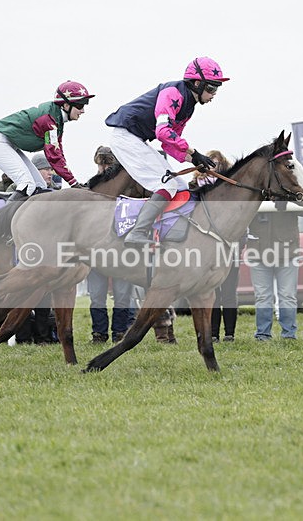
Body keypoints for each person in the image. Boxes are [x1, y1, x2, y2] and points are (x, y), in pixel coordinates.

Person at [105, 56, 229, 245]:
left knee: (181, 186)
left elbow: (168, 144)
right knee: (168, 185)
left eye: (216, 89)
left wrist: (193, 160)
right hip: (125, 138)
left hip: (136, 139)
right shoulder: (173, 93)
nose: (214, 94)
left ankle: (166, 233)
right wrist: (194, 152)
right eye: (211, 88)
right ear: (197, 83)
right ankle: (137, 232)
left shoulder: (189, 106)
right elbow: (163, 132)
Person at [0, 80, 93, 202]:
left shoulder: (57, 118)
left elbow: (59, 153)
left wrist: (74, 182)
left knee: (40, 186)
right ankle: (1, 219)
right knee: (27, 185)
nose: (83, 111)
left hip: (9, 144)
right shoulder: (49, 120)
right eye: (80, 105)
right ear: (66, 105)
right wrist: (74, 183)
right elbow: (54, 156)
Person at [86, 146, 138, 343]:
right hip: (96, 250)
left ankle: (120, 332)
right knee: (97, 296)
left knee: (123, 295)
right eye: (100, 164)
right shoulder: (91, 188)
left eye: (107, 163)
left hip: (122, 250)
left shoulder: (130, 189)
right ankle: (99, 334)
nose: (103, 168)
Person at [190, 150, 243, 342]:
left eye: (217, 164)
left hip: (229, 249)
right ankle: (212, 334)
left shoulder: (231, 191)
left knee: (229, 294)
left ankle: (229, 334)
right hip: (205, 251)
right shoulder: (195, 187)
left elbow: (240, 223)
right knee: (210, 294)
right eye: (210, 163)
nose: (213, 167)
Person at [247, 200, 300, 341]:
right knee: (263, 296)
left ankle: (289, 335)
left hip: (287, 252)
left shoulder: (290, 186)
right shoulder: (255, 188)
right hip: (258, 252)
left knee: (287, 296)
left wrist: (289, 199)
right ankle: (263, 334)